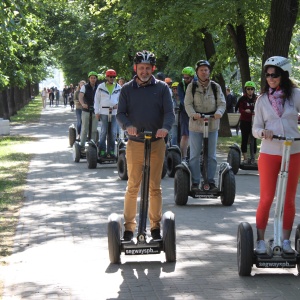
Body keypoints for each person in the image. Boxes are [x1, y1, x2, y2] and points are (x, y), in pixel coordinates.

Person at [117, 50, 174, 241]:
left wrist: (165, 128)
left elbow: (169, 113)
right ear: (136, 68)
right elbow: (121, 114)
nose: (144, 71)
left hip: (156, 142)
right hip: (135, 143)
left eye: (147, 68)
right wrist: (128, 126)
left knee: (154, 187)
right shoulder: (127, 89)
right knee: (133, 185)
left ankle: (156, 227)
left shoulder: (162, 88)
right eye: (141, 68)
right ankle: (129, 228)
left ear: (153, 69)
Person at [252, 56, 300, 254]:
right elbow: (256, 127)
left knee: (289, 199)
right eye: (268, 74)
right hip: (270, 153)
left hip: (294, 151)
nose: (270, 78)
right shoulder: (262, 100)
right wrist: (263, 133)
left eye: (275, 75)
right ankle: (261, 241)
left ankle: (286, 241)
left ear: (284, 75)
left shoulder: (296, 95)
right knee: (267, 198)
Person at [184, 60, 226, 192]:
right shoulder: (192, 87)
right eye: (201, 70)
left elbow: (222, 102)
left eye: (206, 70)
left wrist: (219, 112)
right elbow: (188, 104)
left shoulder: (215, 86)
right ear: (197, 72)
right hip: (196, 124)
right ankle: (195, 182)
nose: (204, 72)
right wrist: (193, 114)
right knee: (195, 155)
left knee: (211, 155)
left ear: (209, 72)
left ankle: (210, 181)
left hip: (212, 123)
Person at [94, 69, 121, 158]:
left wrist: (118, 105)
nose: (111, 78)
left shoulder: (118, 87)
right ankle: (102, 151)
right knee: (103, 132)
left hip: (114, 113)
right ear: (106, 77)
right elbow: (96, 100)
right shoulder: (101, 87)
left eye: (113, 77)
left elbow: (122, 100)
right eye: (110, 76)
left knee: (113, 133)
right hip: (104, 112)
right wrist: (97, 111)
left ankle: (111, 151)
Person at [178, 66, 195, 161]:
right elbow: (182, 100)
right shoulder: (181, 85)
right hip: (185, 112)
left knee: (197, 134)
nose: (185, 79)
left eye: (187, 78)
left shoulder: (197, 83)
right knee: (185, 135)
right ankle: (183, 156)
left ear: (192, 77)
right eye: (184, 77)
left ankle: (195, 156)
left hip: (196, 113)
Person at [78, 71, 99, 153]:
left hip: (95, 110)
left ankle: (92, 146)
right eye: (91, 78)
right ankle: (82, 147)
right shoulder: (85, 87)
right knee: (84, 129)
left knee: (94, 129)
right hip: (86, 110)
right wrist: (83, 104)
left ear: (96, 79)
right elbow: (80, 96)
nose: (93, 79)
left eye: (94, 78)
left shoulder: (99, 87)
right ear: (89, 79)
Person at [237, 81, 257, 163]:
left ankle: (253, 158)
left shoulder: (256, 99)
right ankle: (245, 157)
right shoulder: (242, 99)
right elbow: (240, 109)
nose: (250, 90)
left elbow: (259, 108)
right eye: (248, 89)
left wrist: (251, 110)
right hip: (245, 121)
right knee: (244, 139)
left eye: (252, 89)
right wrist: (245, 111)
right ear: (245, 90)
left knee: (253, 139)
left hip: (254, 122)